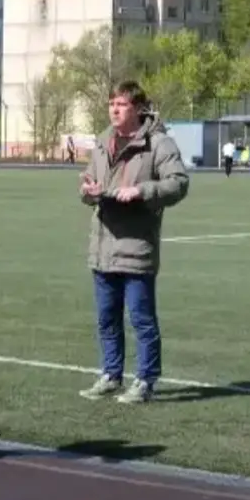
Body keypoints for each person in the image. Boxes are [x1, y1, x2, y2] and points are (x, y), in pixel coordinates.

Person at [77, 81, 189, 404]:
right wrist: (88, 192)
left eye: (121, 104)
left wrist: (142, 191)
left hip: (136, 246)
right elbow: (90, 182)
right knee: (107, 319)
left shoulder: (159, 143)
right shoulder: (103, 141)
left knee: (141, 320)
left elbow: (179, 183)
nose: (114, 109)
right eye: (111, 103)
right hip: (103, 246)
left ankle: (145, 380)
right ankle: (111, 375)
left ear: (138, 109)